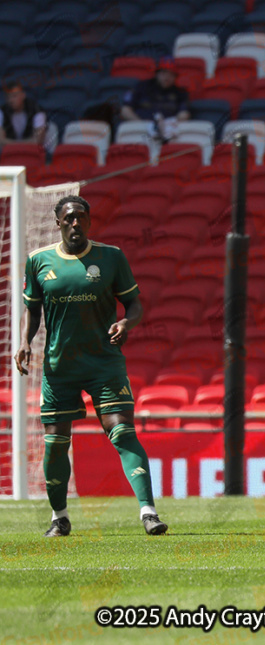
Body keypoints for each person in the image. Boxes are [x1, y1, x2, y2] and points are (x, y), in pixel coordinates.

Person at [14, 196, 168, 537]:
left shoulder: (111, 257)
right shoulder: (39, 261)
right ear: (58, 222)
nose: (75, 223)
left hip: (103, 363)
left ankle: (148, 512)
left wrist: (126, 323)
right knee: (56, 442)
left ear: (89, 221)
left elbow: (134, 304)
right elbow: (33, 311)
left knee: (123, 432)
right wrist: (25, 341)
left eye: (81, 217)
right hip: (60, 367)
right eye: (69, 218)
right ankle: (59, 517)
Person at [120, 58, 190, 143]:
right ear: (157, 73)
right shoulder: (142, 86)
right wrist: (140, 124)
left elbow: (184, 114)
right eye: (164, 73)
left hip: (167, 132)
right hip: (140, 129)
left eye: (171, 74)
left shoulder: (180, 92)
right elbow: (125, 110)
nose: (167, 77)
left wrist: (169, 123)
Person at [0, 81, 47, 147]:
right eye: (8, 97)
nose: (11, 100)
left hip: (32, 150)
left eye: (14, 96)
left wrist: (13, 144)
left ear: (23, 95)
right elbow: (1, 140)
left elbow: (38, 140)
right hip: (10, 151)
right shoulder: (2, 111)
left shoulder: (37, 110)